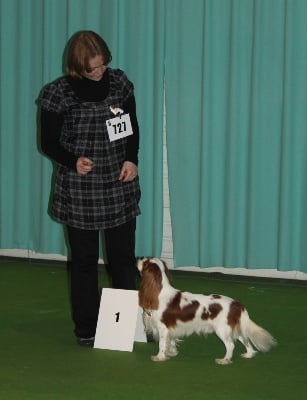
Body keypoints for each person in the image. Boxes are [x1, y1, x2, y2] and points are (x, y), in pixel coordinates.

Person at [39, 31, 141, 347]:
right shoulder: (57, 94)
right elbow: (48, 143)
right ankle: (87, 328)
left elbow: (132, 128)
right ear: (76, 67)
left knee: (122, 259)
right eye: (91, 69)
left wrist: (131, 160)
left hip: (118, 182)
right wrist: (73, 160)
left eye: (101, 65)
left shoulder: (120, 84)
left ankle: (124, 327)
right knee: (84, 261)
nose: (98, 73)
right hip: (79, 187)